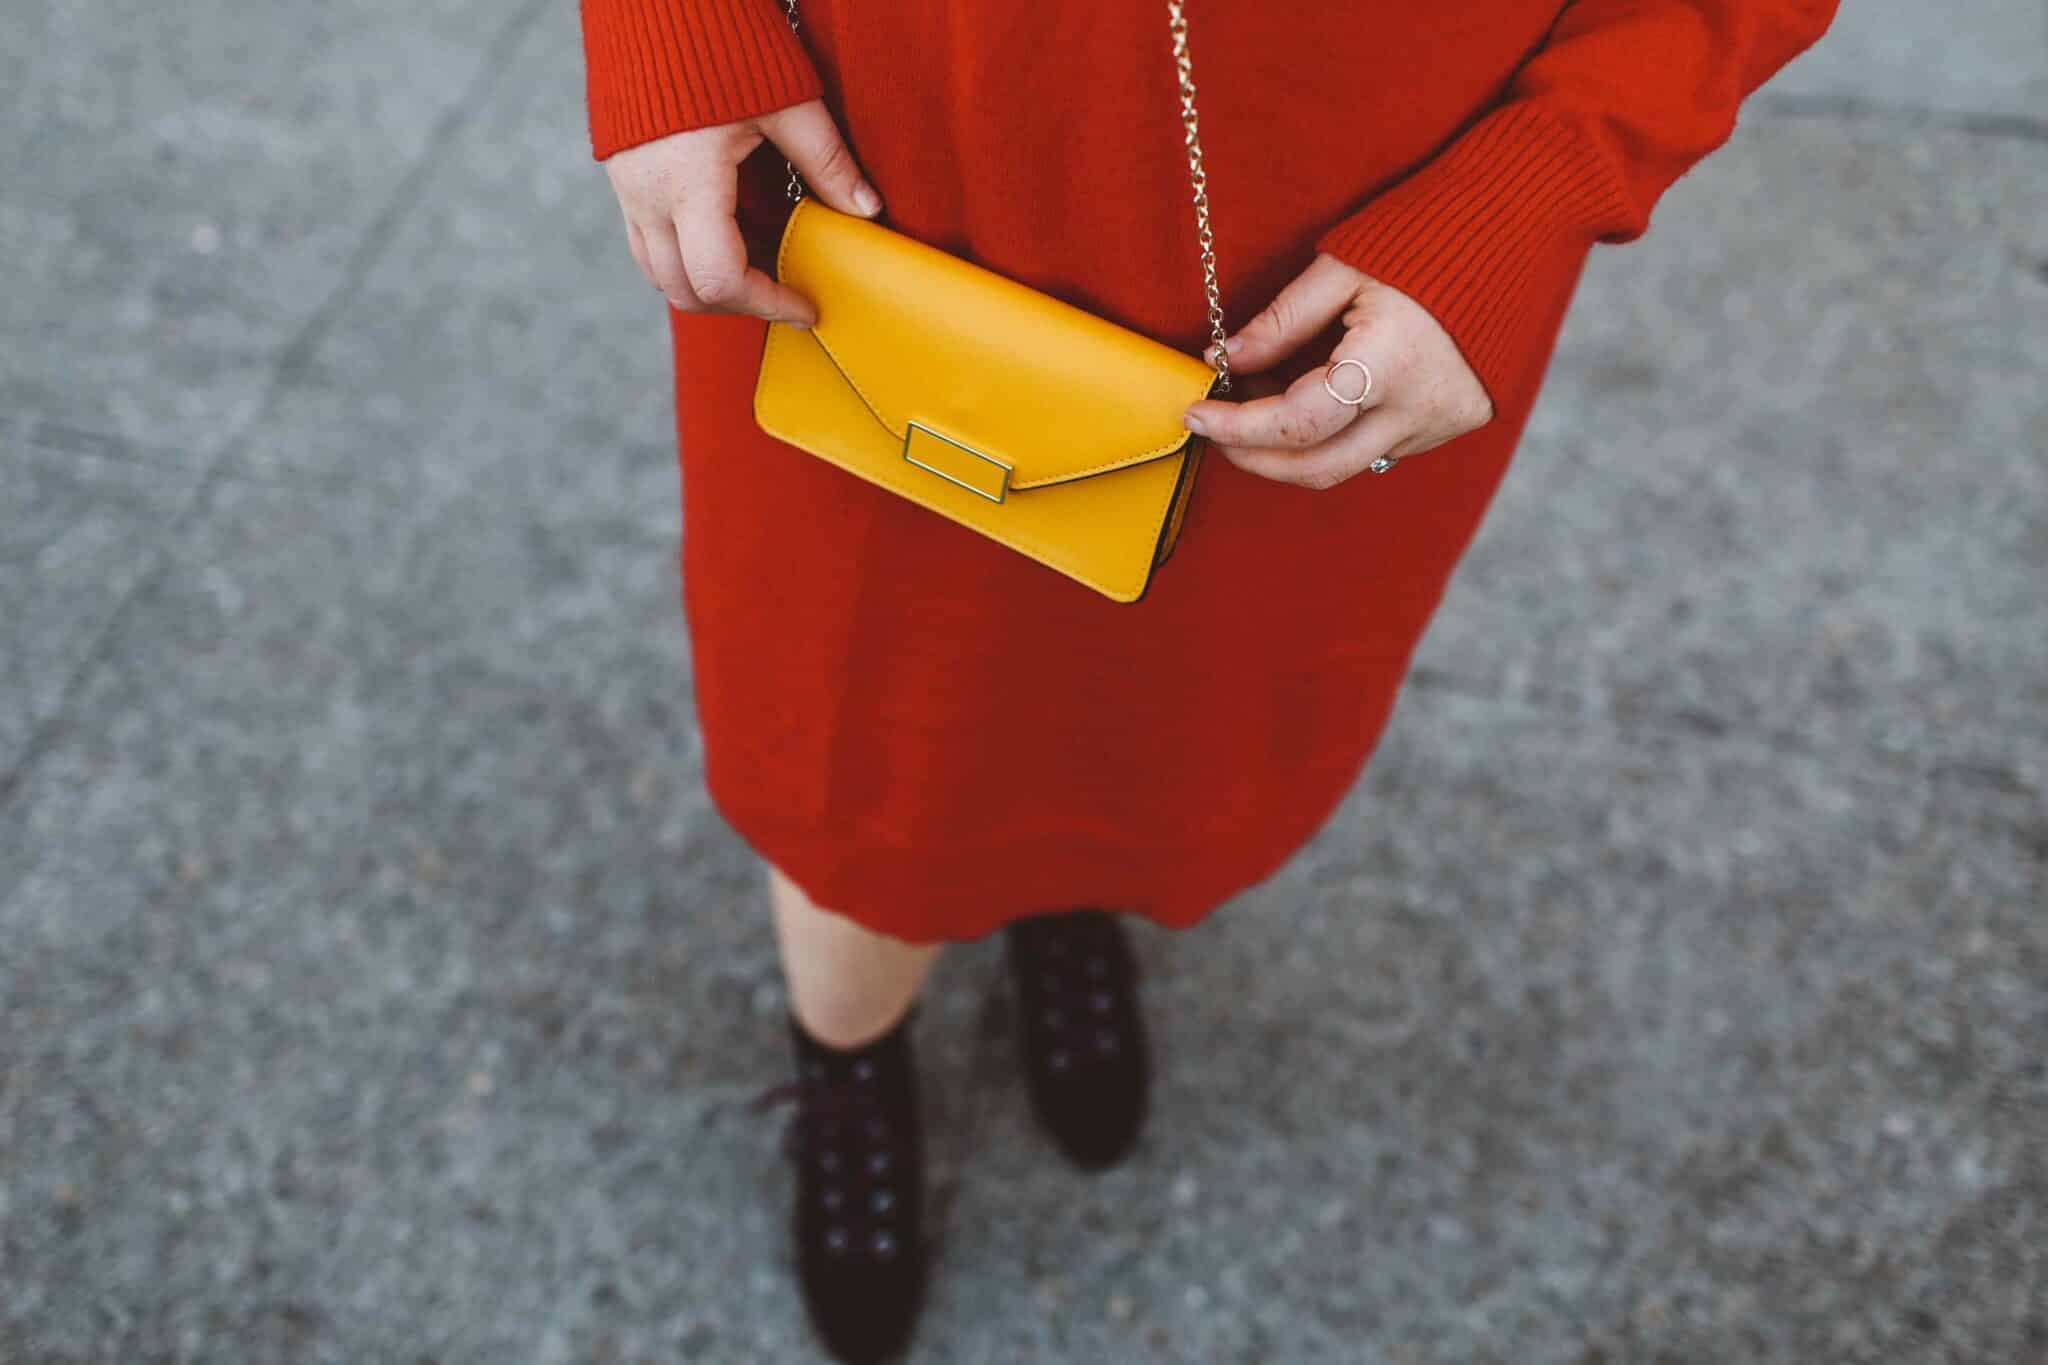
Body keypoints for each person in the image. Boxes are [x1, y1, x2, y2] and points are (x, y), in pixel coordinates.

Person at [575, 1, 1838, 1359]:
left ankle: (1051, 885)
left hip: (1343, 247)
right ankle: (850, 1060)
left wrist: (1540, 181)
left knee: (1152, 715)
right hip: (883, 174)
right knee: (871, 723)